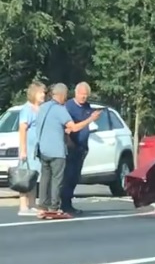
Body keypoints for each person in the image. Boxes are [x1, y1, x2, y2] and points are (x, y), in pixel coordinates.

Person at [36, 83, 100, 216]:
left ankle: (43, 205)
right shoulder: (61, 109)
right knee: (57, 179)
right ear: (62, 95)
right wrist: (91, 119)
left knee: (45, 178)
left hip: (43, 149)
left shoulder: (43, 107)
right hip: (57, 150)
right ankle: (54, 207)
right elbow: (73, 128)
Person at [62, 82, 94, 214]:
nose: (83, 98)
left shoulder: (87, 107)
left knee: (75, 177)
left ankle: (68, 203)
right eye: (82, 95)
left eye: (86, 95)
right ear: (76, 93)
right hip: (71, 146)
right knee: (68, 176)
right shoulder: (68, 106)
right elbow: (68, 127)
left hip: (82, 147)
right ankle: (64, 204)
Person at [17, 82, 47, 216]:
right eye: (41, 92)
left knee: (34, 176)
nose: (43, 95)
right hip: (28, 149)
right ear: (34, 93)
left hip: (37, 149)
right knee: (25, 176)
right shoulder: (26, 109)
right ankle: (23, 206)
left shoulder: (41, 109)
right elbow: (22, 129)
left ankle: (32, 203)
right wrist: (23, 150)